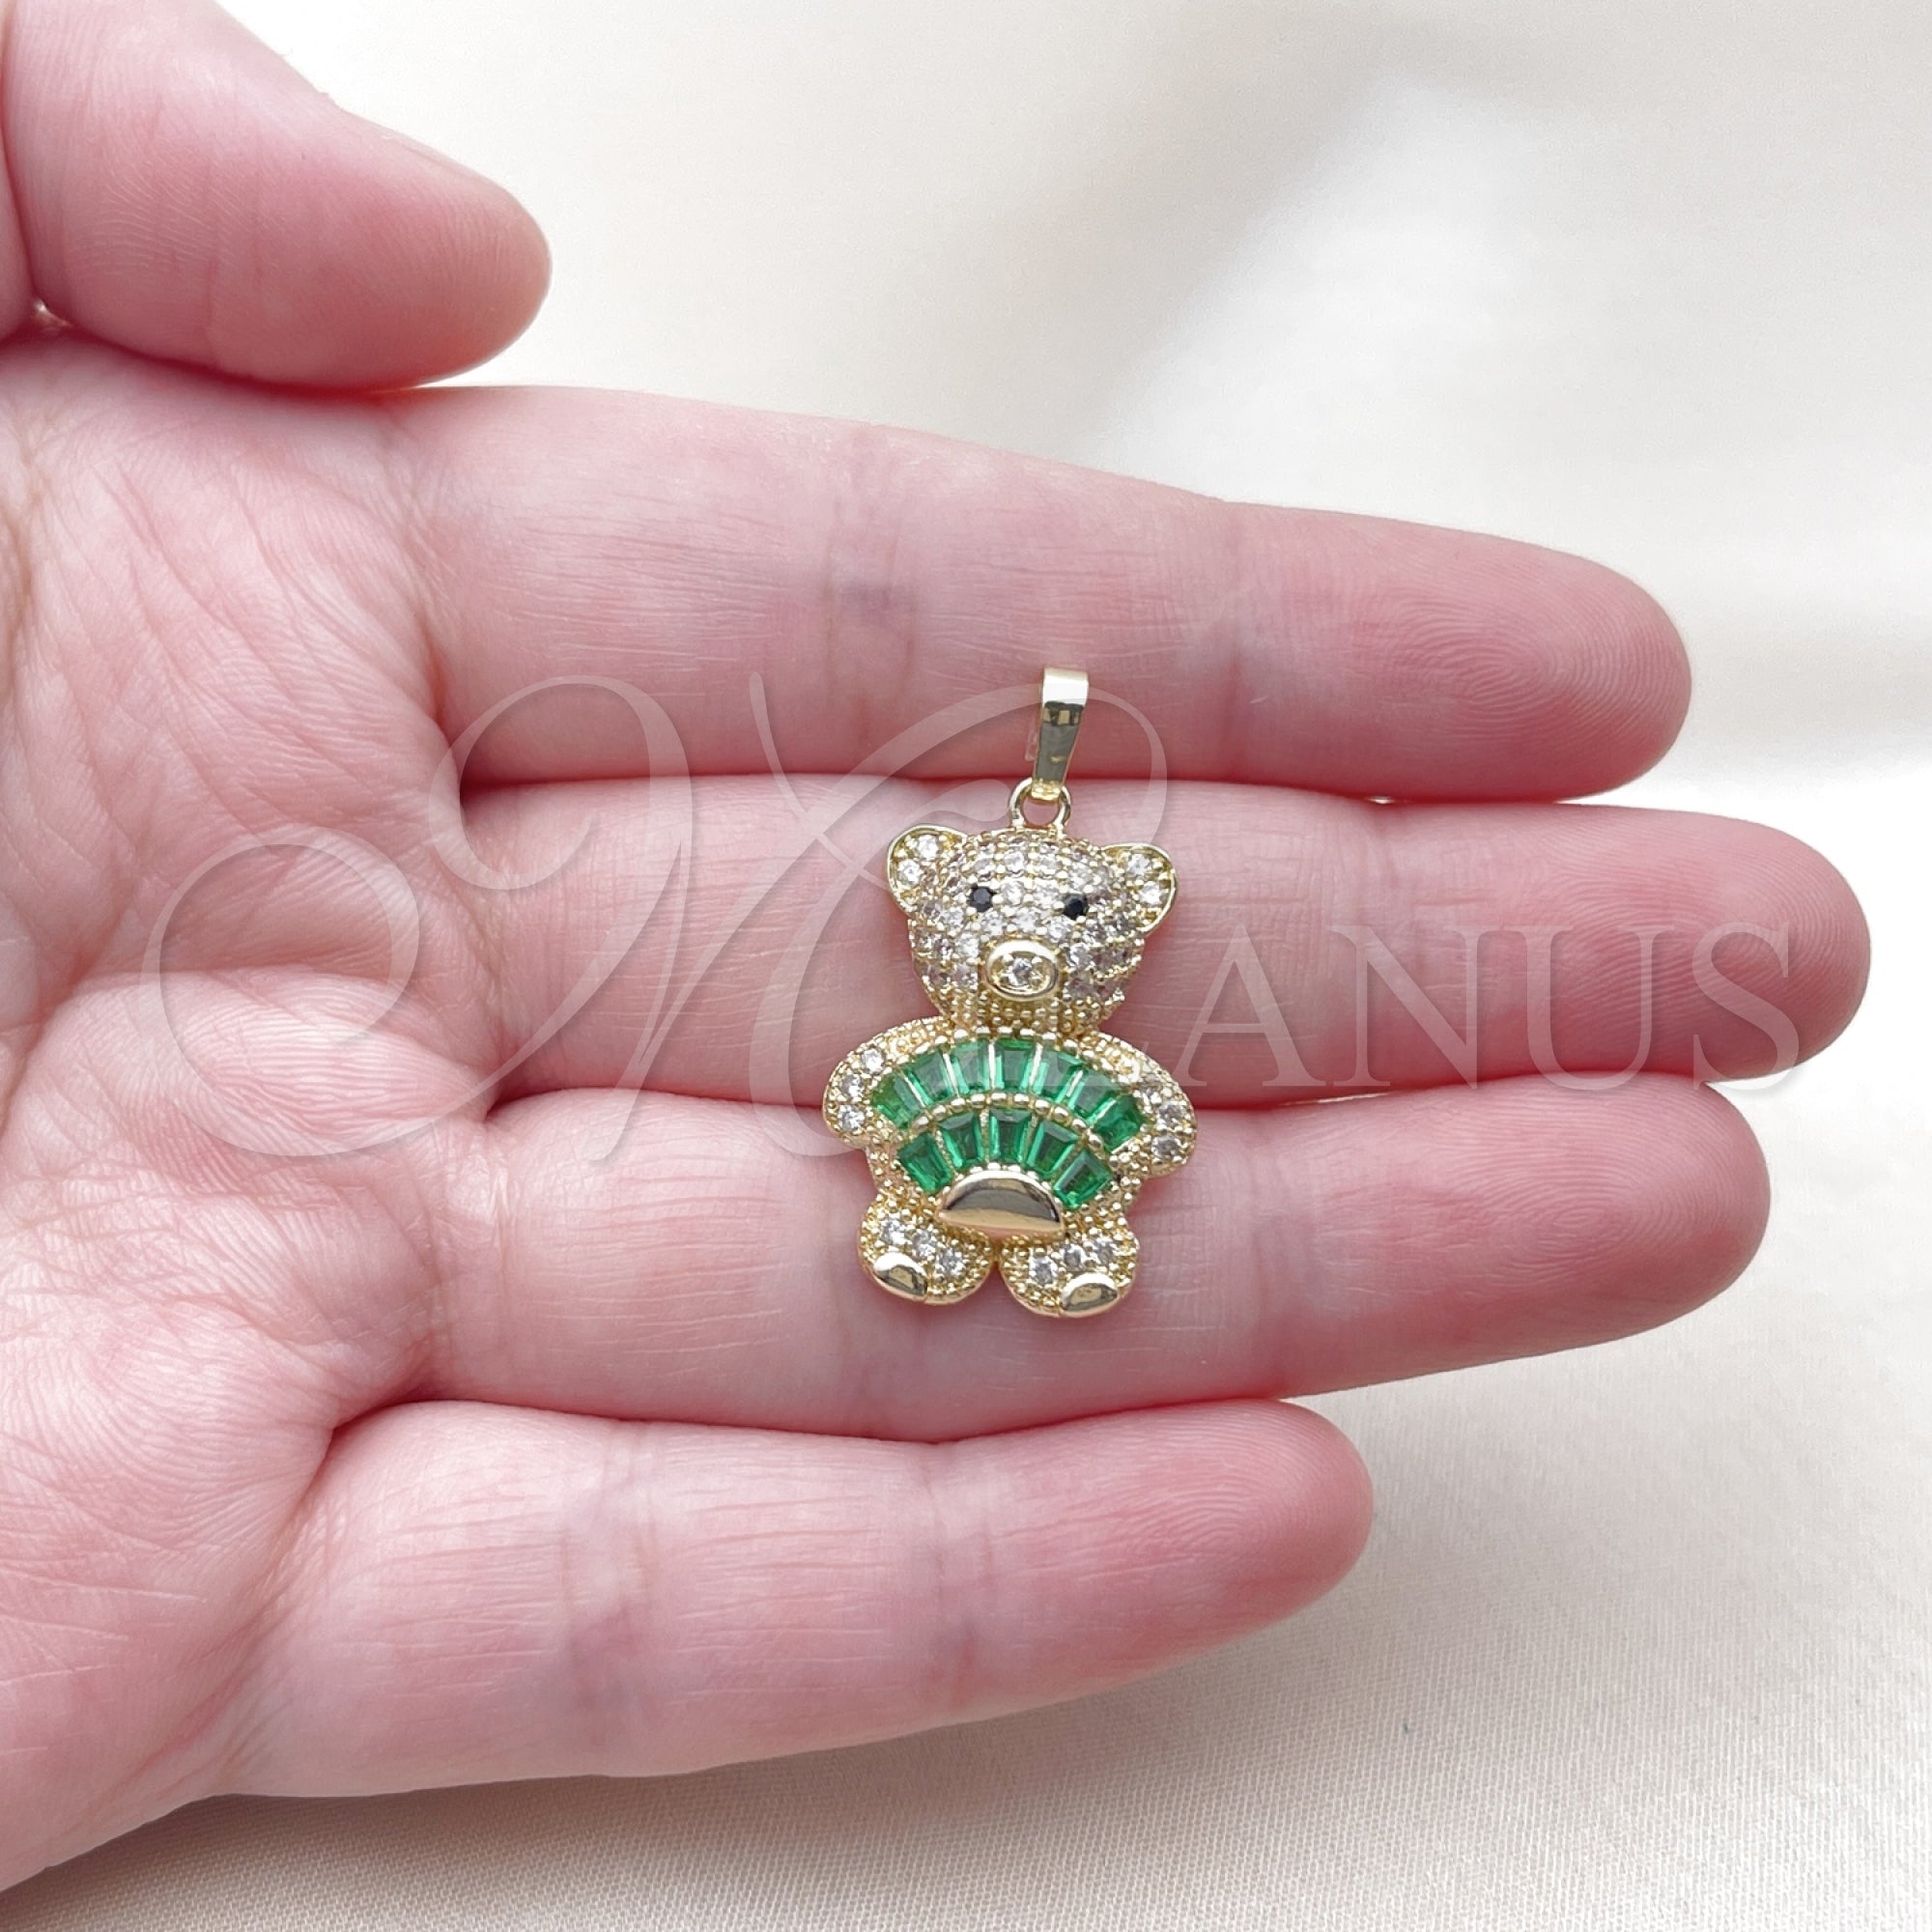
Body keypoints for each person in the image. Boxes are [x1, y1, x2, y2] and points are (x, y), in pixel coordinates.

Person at [0, 0, 1868, 1892]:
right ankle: (953, 1228)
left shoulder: (1101, 1010)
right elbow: (874, 1084)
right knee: (921, 1187)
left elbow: (1140, 1107)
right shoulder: (919, 994)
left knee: (1085, 1197)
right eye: (997, 914)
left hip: (1059, 1169)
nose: (1033, 945)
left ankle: (1033, 1239)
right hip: (936, 1165)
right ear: (937, 908)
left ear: (1116, 933)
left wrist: (1112, 1124)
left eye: (1067, 927)